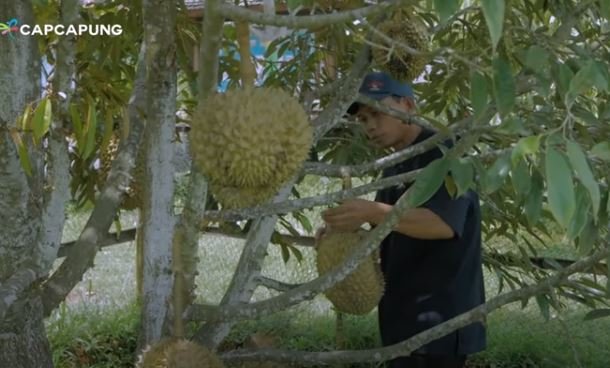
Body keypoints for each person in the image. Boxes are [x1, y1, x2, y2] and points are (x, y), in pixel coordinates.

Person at [319, 72, 486, 368]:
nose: (370, 126)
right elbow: (387, 229)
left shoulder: (446, 153)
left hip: (440, 321)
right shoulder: (394, 166)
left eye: (377, 113)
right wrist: (342, 232)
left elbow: (443, 224)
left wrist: (371, 211)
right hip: (402, 317)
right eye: (362, 119)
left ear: (408, 106)